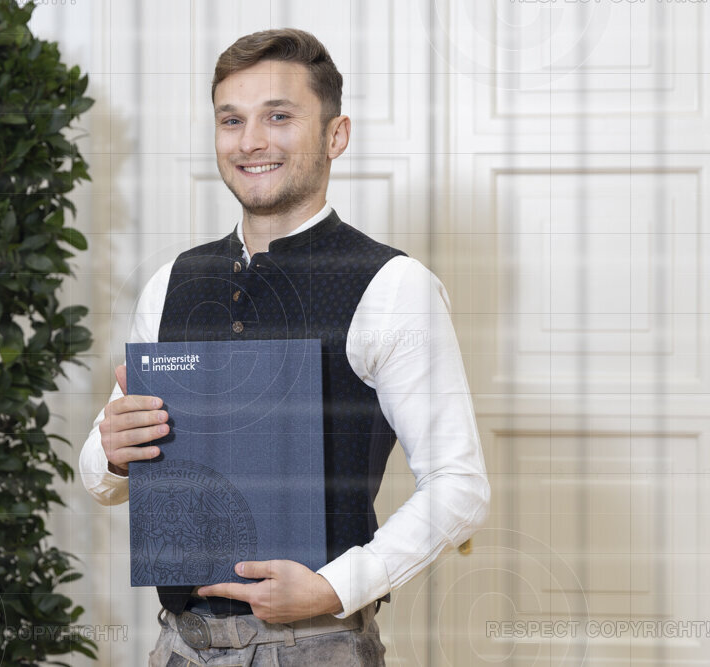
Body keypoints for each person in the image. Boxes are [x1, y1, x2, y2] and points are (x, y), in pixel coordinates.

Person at [78, 28, 490, 666]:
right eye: (231, 120)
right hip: (176, 646)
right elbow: (99, 479)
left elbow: (458, 485)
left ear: (336, 135)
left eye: (279, 116)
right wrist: (112, 452)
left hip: (317, 647)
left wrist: (337, 587)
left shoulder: (392, 285)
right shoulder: (170, 282)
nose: (250, 141)